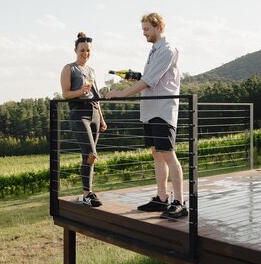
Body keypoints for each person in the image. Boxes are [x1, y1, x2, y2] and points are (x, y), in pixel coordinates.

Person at [106, 13, 187, 219]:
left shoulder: (168, 50)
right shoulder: (154, 50)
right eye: (143, 30)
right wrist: (134, 77)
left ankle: (179, 202)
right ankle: (161, 198)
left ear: (158, 27)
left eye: (146, 29)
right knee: (157, 154)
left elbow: (149, 80)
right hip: (150, 110)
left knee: (168, 154)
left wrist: (122, 94)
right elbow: (148, 79)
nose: (144, 33)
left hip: (162, 109)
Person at [60, 32, 108, 207]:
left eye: (88, 50)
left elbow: (96, 96)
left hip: (94, 114)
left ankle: (88, 192)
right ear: (75, 50)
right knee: (91, 154)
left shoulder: (91, 71)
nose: (85, 53)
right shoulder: (69, 68)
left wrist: (102, 119)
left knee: (89, 156)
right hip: (79, 114)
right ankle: (87, 194)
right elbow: (65, 94)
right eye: (82, 50)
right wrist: (80, 92)